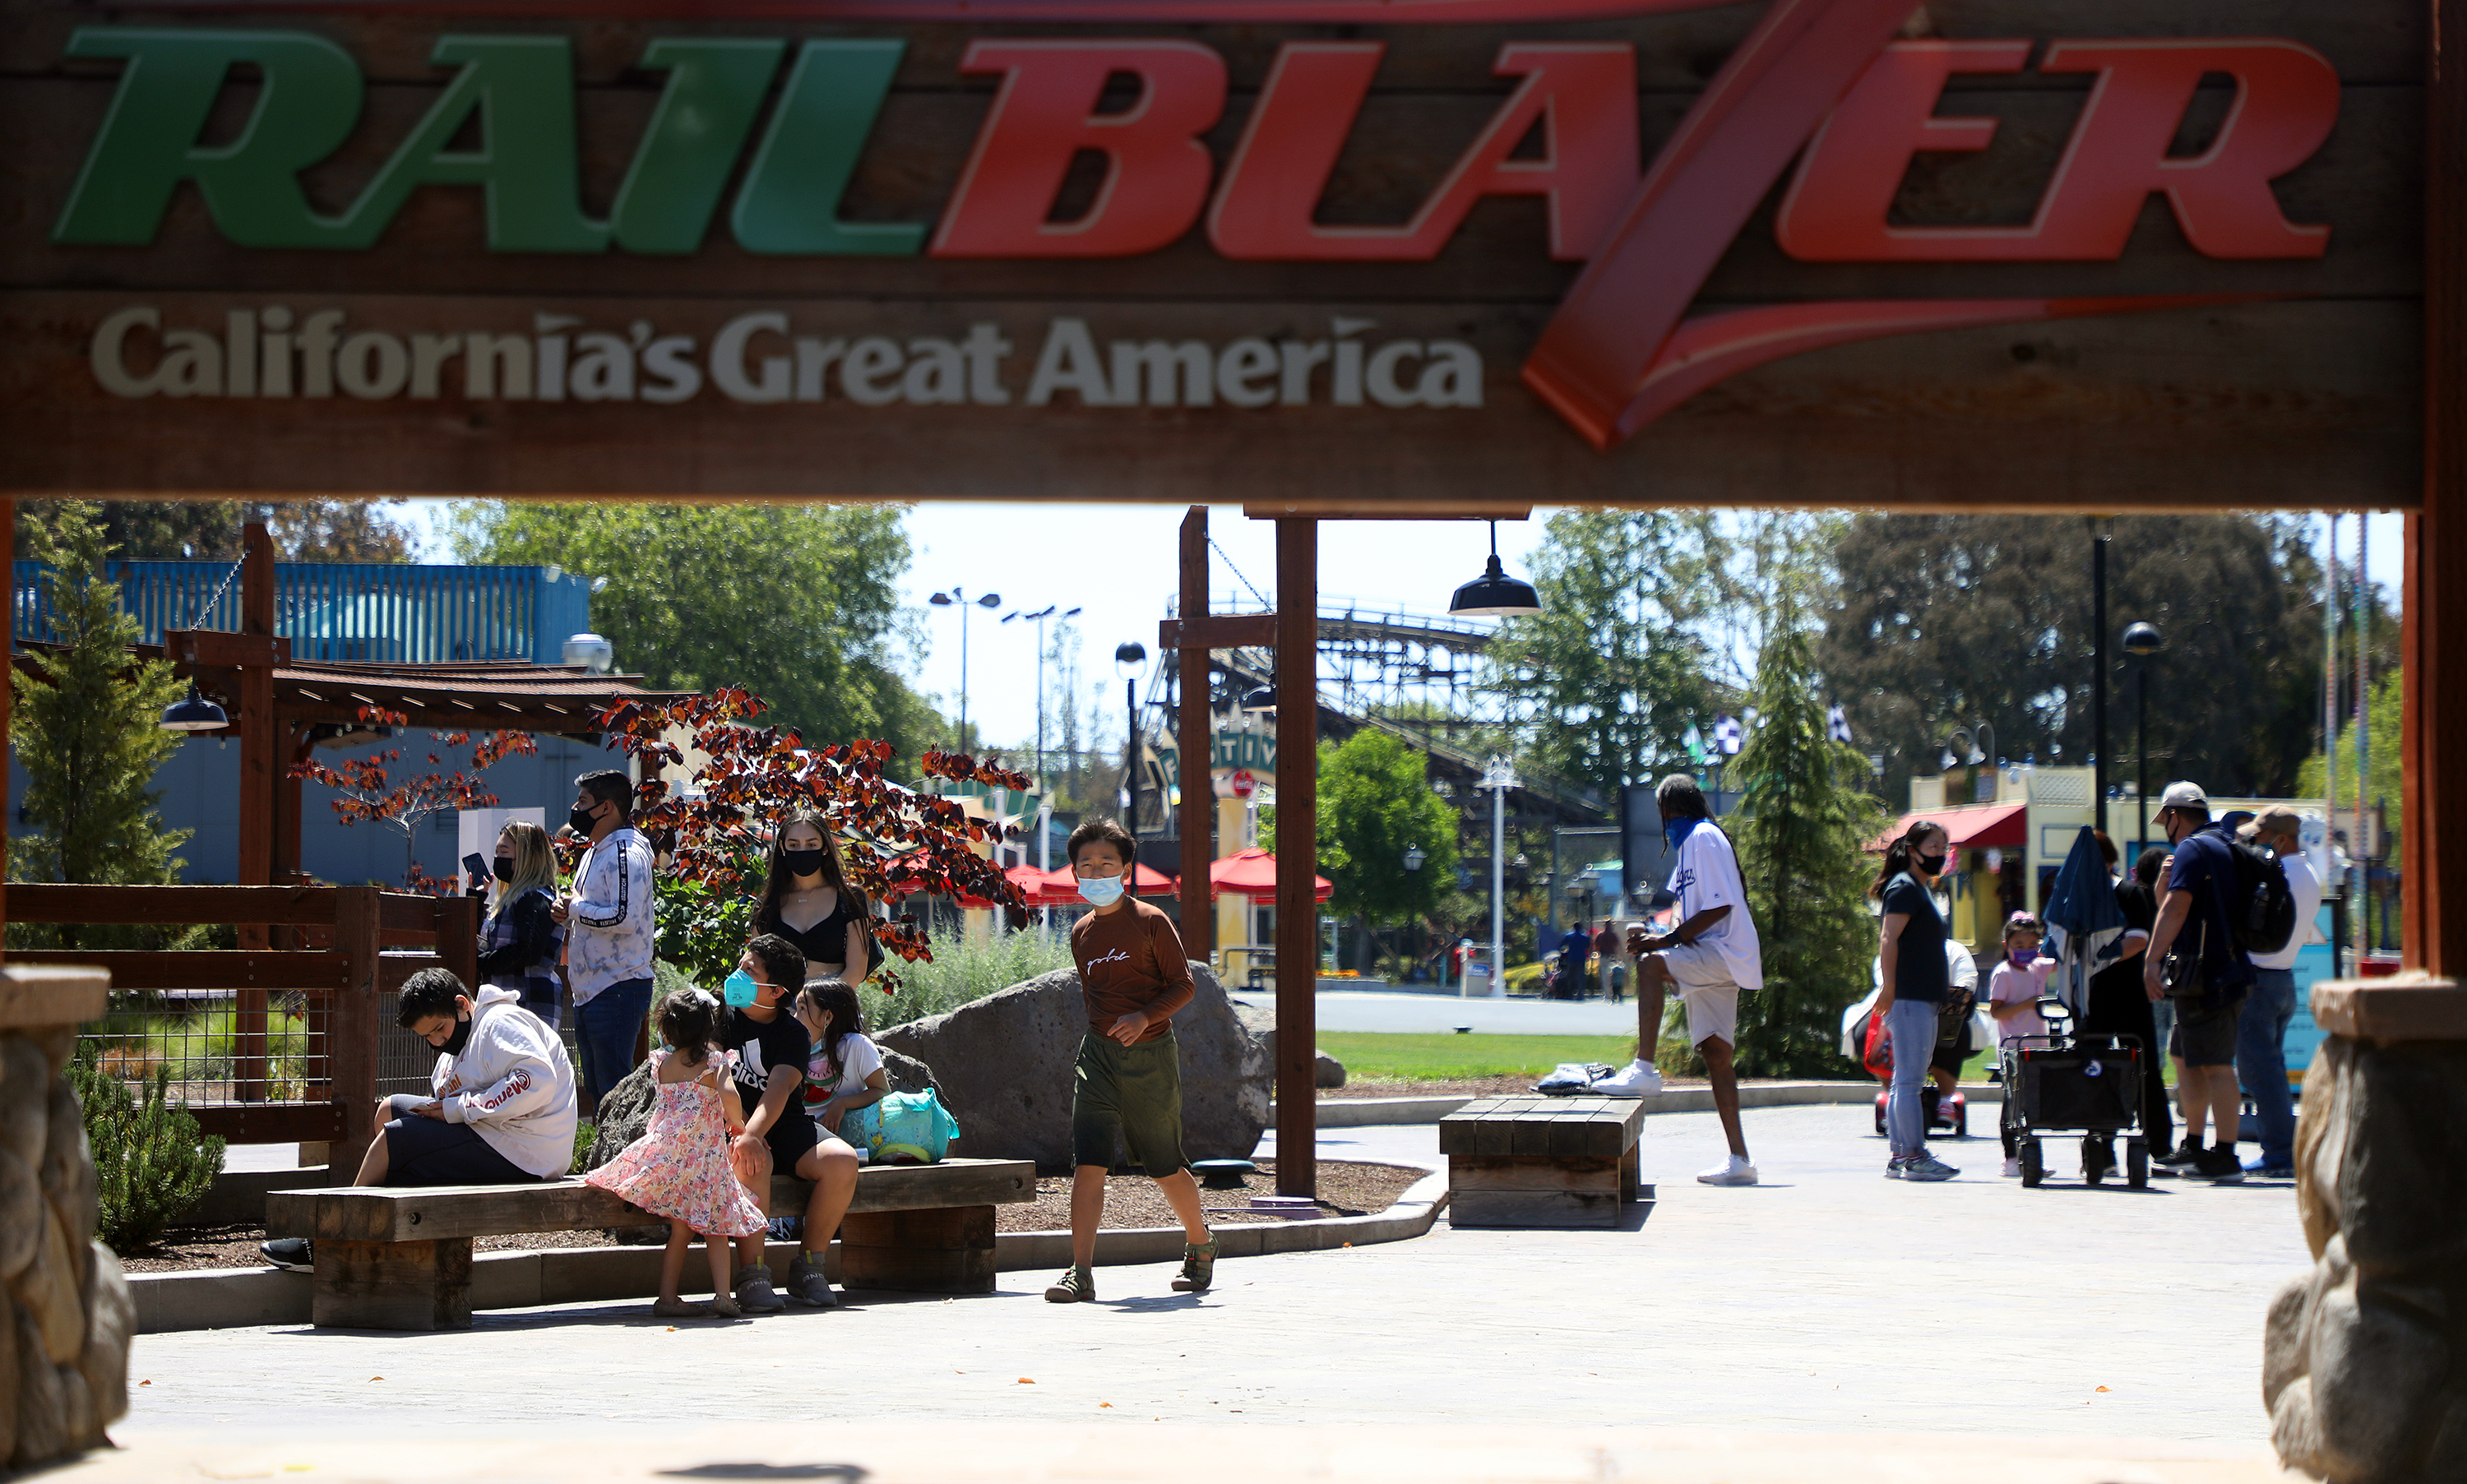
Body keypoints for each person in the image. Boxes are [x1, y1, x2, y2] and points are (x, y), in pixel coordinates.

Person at [259, 969, 576, 1270]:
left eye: (440, 1029)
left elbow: (537, 1081)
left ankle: (331, 1244)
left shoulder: (500, 1023)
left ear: (462, 1005)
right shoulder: (458, 1044)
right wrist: (452, 1108)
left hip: (529, 1151)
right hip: (496, 1136)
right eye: (427, 1036)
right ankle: (379, 1238)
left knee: (397, 1139)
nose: (437, 1042)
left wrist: (459, 1108)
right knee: (389, 1110)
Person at [1046, 817, 1216, 1303]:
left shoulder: (1151, 921)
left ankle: (1201, 1244)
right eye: (1086, 864)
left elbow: (1184, 985)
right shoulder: (1081, 932)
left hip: (1151, 1057)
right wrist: (1107, 1034)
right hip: (1097, 1058)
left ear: (1125, 869)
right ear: (1075, 872)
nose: (1096, 871)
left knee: (1164, 1165)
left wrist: (1144, 1018)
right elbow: (1094, 996)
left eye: (1107, 863)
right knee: (1089, 1163)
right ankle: (1079, 1271)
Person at [1605, 774, 1763, 1189]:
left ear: (1667, 808)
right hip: (1717, 954)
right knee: (1716, 1055)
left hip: (1723, 952)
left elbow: (1722, 906)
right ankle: (1740, 1159)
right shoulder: (1690, 845)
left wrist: (1668, 943)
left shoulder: (1703, 838)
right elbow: (1684, 908)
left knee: (1651, 965)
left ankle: (1644, 1069)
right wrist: (1659, 934)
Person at [586, 987, 766, 1319]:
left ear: (668, 1032)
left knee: (680, 1232)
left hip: (673, 1157)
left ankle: (667, 1297)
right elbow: (730, 1096)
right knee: (717, 1228)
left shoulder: (664, 1065)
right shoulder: (714, 1062)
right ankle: (723, 1295)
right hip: (707, 1160)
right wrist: (738, 1124)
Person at [718, 933, 862, 1313]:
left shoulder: (793, 1033)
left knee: (842, 1160)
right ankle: (752, 1275)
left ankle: (810, 1268)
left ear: (776, 990)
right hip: (730, 1125)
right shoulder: (719, 1016)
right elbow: (715, 1078)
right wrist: (743, 1132)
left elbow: (780, 1089)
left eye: (750, 971)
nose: (738, 975)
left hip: (784, 1125)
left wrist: (755, 1132)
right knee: (754, 1160)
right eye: (741, 964)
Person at [2141, 781, 2253, 1184]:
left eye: (2165, 819)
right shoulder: (2224, 844)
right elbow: (2169, 902)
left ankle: (2225, 1155)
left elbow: (2176, 907)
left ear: (2174, 815)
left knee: (2218, 1065)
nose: (2164, 827)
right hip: (2221, 972)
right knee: (2186, 1057)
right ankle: (2194, 1144)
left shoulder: (2193, 848)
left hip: (2209, 976)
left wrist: (2152, 960)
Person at [558, 768, 657, 1115]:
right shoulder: (594, 852)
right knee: (599, 1087)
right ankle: (609, 1162)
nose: (575, 808)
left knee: (615, 1085)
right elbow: (586, 907)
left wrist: (576, 908)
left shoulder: (626, 854)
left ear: (607, 807)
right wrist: (567, 910)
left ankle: (623, 1163)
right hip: (591, 990)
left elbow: (623, 918)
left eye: (583, 801)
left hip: (618, 986)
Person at [1870, 821, 1960, 1181]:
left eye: (1944, 848)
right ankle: (1914, 1155)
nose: (1939, 854)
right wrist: (1890, 988)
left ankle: (1900, 1155)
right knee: (1909, 1082)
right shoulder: (1905, 888)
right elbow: (1888, 938)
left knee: (1903, 1082)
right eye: (1933, 847)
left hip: (1917, 998)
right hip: (1909, 999)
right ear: (1912, 850)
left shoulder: (1918, 889)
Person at [2237, 806, 2318, 1180]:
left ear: (2280, 839)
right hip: (2284, 979)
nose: (2255, 841)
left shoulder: (2276, 874)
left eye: (2261, 836)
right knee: (2273, 1069)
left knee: (2260, 1073)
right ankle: (2285, 1151)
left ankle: (2279, 1154)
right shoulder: (2311, 876)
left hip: (2259, 980)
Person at [2081, 839, 2173, 1162]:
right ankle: (2100, 1150)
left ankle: (2160, 1147)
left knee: (2145, 1069)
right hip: (2091, 998)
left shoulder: (2130, 893)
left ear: (2107, 861)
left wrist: (2098, 956)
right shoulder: (2076, 897)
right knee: (2092, 1068)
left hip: (2130, 994)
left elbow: (2138, 940)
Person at [751, 811, 874, 987]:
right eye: (794, 845)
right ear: (782, 848)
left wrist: (815, 1005)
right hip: (780, 1005)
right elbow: (754, 967)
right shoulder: (766, 905)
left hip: (834, 1002)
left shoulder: (850, 898)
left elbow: (856, 970)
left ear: (825, 847)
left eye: (811, 844)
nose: (802, 851)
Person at [1987, 912, 2057, 1178]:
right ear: (2007, 945)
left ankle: (2031, 1154)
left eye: (2032, 946)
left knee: (2033, 1104)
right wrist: (2028, 1004)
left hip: (2037, 1047)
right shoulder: (2002, 974)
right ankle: (2010, 1157)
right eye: (2019, 946)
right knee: (2012, 1103)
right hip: (2013, 1048)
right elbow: (1996, 1012)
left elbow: (2064, 962)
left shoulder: (2038, 967)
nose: (2026, 951)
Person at [476, 820, 563, 1029]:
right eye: (497, 853)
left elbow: (528, 951)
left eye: (504, 852)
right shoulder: (510, 899)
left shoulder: (535, 898)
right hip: (506, 1006)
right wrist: (477, 898)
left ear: (526, 857)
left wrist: (481, 962)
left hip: (529, 1005)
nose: (498, 859)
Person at [794, 977, 889, 1144]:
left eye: (802, 1008)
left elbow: (882, 1091)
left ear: (828, 1017)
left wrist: (842, 1103)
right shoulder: (794, 1048)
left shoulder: (857, 1045)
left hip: (847, 1136)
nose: (795, 1017)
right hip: (801, 1134)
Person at [1593, 918, 1627, 1004]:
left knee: (1605, 976)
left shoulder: (1601, 935)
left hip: (1604, 956)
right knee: (1613, 976)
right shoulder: (1613, 935)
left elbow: (1596, 945)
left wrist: (1598, 952)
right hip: (1612, 957)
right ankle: (1613, 993)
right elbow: (1618, 946)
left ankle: (1608, 994)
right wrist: (1621, 956)